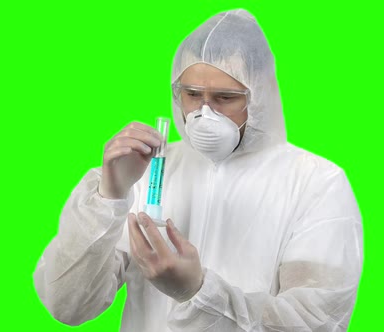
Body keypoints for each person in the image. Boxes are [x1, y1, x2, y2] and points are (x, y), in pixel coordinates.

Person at [34, 9, 363, 332]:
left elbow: (314, 322)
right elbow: (69, 305)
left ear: (260, 94)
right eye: (192, 95)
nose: (205, 112)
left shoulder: (316, 183)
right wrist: (110, 196)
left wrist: (197, 291)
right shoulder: (149, 171)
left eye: (225, 97)